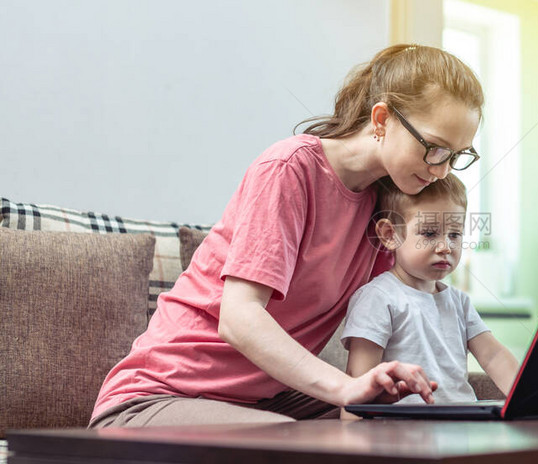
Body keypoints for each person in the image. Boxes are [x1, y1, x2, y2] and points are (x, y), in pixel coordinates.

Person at [89, 44, 485, 427]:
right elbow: (240, 318)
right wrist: (345, 388)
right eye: (435, 148)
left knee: (396, 429)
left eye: (457, 156)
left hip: (266, 400)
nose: (443, 170)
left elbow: (413, 307)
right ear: (381, 120)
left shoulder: (388, 210)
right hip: (158, 398)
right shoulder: (289, 168)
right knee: (287, 441)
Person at [340, 174, 519, 418]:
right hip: (400, 434)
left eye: (454, 235)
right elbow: (358, 382)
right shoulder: (377, 298)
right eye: (429, 234)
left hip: (461, 427)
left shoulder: (459, 302)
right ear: (390, 235)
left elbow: (493, 355)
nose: (446, 246)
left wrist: (529, 399)